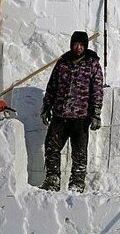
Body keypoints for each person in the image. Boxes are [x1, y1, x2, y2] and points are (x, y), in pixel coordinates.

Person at [40, 31, 104, 192]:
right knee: (51, 148)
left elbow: (97, 90)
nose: (78, 48)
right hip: (60, 116)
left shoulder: (92, 64)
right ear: (71, 45)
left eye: (82, 45)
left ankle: (77, 184)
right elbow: (52, 87)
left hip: (81, 118)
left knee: (79, 153)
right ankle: (52, 179)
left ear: (85, 46)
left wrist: (96, 113)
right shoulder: (62, 63)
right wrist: (46, 107)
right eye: (76, 44)